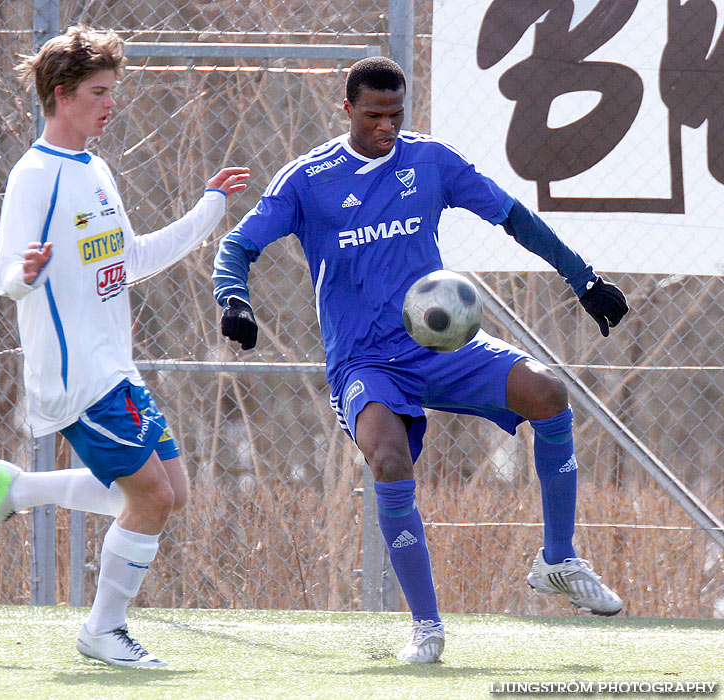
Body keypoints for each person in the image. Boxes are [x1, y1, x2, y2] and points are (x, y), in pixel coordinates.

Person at [212, 56, 628, 664]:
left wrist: (583, 279)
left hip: (440, 346)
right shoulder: (309, 180)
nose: (387, 126)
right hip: (364, 363)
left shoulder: (430, 161)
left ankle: (559, 560)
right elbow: (238, 244)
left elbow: (512, 215)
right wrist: (234, 301)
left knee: (549, 392)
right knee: (388, 459)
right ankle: (427, 629)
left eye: (396, 114)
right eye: (374, 114)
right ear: (347, 108)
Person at [0, 25, 249, 667]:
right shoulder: (34, 175)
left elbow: (133, 259)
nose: (111, 103)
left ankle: (18, 490)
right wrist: (25, 273)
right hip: (77, 379)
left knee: (170, 492)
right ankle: (102, 631)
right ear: (62, 95)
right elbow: (1, 272)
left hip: (116, 367)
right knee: (149, 497)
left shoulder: (95, 169)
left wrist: (210, 206)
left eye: (113, 91)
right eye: (100, 92)